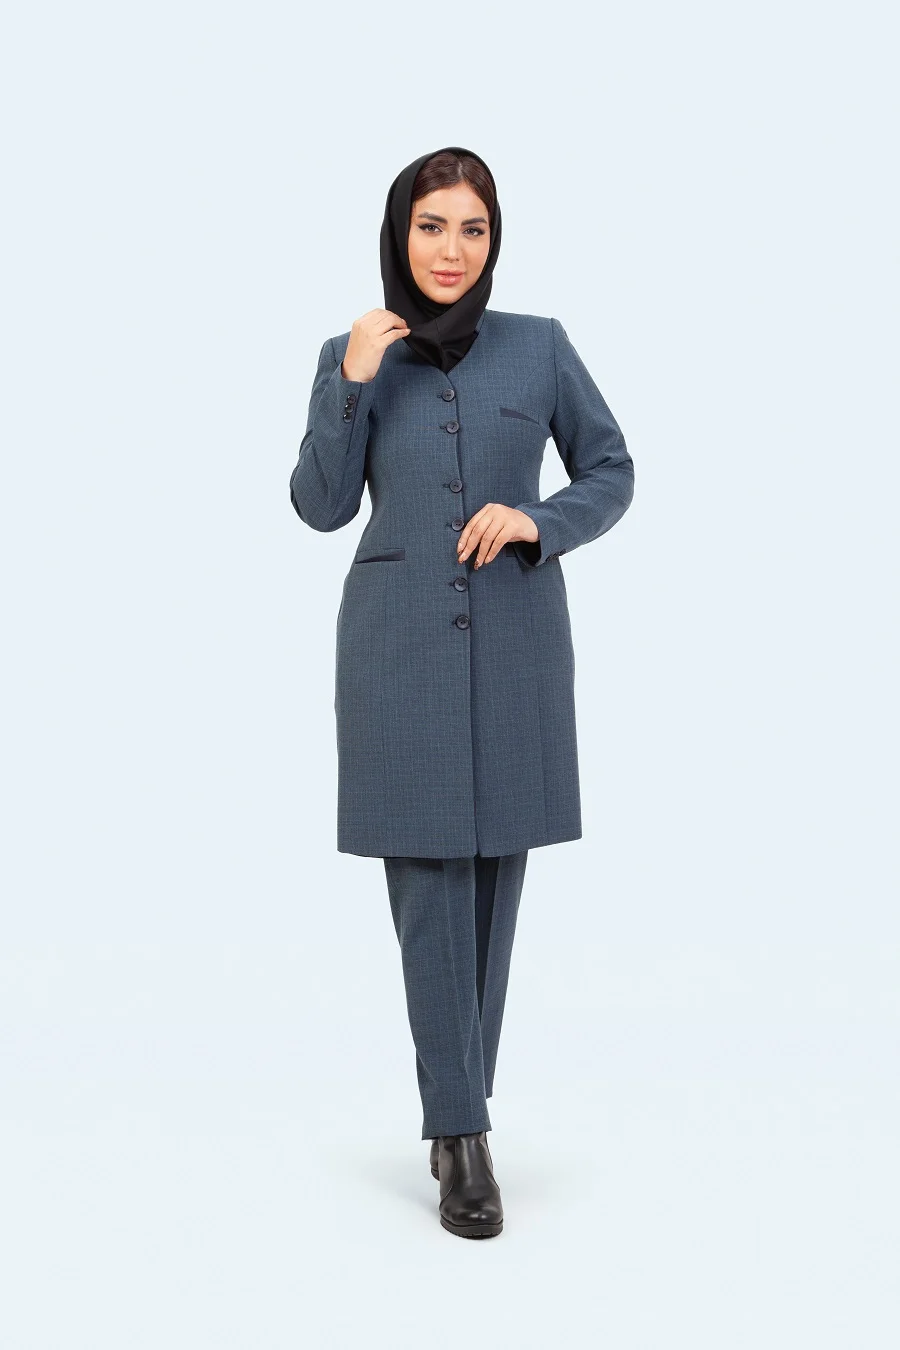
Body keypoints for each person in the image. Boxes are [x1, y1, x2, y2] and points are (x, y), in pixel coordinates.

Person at [289, 145, 635, 1238]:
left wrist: (540, 519)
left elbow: (612, 468)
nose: (451, 250)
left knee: (493, 881)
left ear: (494, 240)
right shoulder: (352, 353)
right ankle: (464, 1136)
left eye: (472, 229)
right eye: (431, 226)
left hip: (517, 642)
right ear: (400, 235)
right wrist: (351, 381)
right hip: (397, 652)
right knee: (429, 881)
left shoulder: (540, 347)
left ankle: (456, 1113)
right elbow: (318, 505)